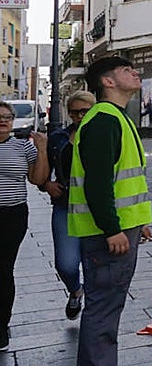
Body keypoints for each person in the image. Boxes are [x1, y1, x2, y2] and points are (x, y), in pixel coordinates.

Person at [70, 57, 152, 366]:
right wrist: (113, 229)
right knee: (103, 307)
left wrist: (137, 222)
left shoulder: (115, 118)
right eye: (126, 70)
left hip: (119, 229)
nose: (135, 74)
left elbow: (123, 179)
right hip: (106, 234)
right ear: (107, 81)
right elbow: (98, 183)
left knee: (109, 305)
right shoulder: (103, 121)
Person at [40, 91, 95, 320]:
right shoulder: (58, 138)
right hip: (65, 206)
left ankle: (94, 315)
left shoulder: (102, 135)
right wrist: (46, 185)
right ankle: (75, 290)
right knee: (66, 264)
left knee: (95, 267)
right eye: (74, 112)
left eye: (85, 111)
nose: (79, 116)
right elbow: (42, 171)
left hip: (95, 208)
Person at [0, 101, 48, 351]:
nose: (3, 121)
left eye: (7, 116)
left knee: (3, 269)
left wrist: (41, 150)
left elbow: (38, 179)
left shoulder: (22, 146)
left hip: (12, 215)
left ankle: (1, 325)